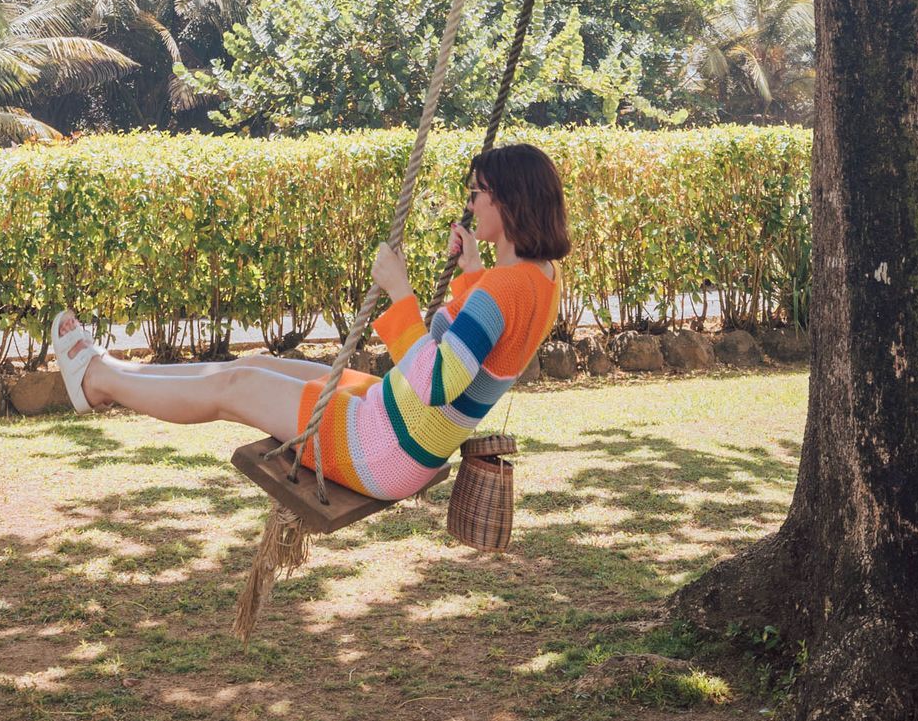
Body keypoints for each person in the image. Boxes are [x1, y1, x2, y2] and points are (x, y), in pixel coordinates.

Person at [50, 141, 569, 501]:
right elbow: (487, 344)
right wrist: (471, 271)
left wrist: (400, 292)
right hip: (403, 427)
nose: (472, 203)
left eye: (477, 192)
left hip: (385, 446)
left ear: (507, 200)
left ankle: (98, 382)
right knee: (260, 363)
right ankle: (113, 371)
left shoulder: (504, 289)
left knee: (238, 384)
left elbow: (437, 381)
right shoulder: (542, 279)